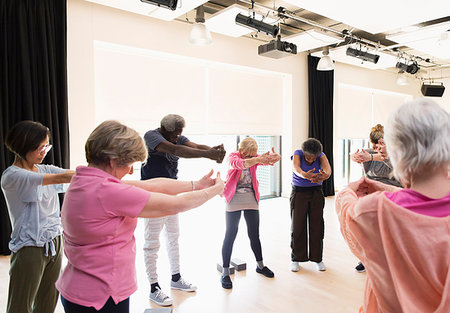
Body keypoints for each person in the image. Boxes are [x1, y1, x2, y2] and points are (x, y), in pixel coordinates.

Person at [55, 120, 224, 313]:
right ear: (112, 160)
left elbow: (151, 185)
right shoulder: (106, 191)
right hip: (101, 295)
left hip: (78, 288)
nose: (131, 170)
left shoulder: (85, 180)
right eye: (129, 164)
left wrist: (196, 184)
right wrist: (216, 189)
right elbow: (179, 204)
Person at [336, 99, 450, 313]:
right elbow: (425, 201)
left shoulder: (373, 212)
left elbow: (347, 213)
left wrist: (347, 191)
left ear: (396, 154)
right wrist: (386, 189)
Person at [140, 114, 226, 306]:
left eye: (180, 133)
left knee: (173, 237)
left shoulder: (177, 137)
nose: (177, 137)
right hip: (152, 196)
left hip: (172, 194)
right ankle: (154, 287)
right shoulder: (152, 136)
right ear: (164, 129)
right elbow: (176, 150)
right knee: (152, 243)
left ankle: (176, 278)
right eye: (175, 133)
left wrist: (213, 150)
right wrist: (208, 154)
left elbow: (193, 146)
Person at [1, 120, 75, 313]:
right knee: (20, 306)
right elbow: (62, 178)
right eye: (40, 147)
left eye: (46, 146)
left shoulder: (45, 169)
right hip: (29, 247)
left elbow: (70, 175)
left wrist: (102, 172)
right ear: (25, 147)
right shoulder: (13, 176)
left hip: (55, 242)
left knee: (48, 302)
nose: (44, 151)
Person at [220, 137, 280, 289]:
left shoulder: (253, 158)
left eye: (253, 155)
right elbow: (241, 164)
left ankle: (260, 266)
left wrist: (274, 158)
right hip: (233, 198)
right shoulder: (233, 156)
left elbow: (265, 161)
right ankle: (225, 272)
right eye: (248, 155)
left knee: (254, 234)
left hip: (251, 198)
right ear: (241, 151)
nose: (251, 158)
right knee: (230, 234)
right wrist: (257, 159)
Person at [350, 124, 402, 273]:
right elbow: (358, 155)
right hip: (372, 194)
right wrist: (356, 156)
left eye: (379, 144)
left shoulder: (396, 155)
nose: (375, 148)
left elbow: (387, 158)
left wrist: (371, 156)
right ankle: (365, 259)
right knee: (368, 230)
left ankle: (390, 261)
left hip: (393, 193)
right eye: (373, 145)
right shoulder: (368, 152)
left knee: (390, 231)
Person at [290, 138, 332, 272]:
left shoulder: (321, 155)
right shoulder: (298, 153)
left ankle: (317, 258)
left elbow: (327, 170)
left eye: (313, 158)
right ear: (304, 153)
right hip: (299, 193)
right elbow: (296, 167)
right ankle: (296, 258)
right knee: (298, 226)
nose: (310, 160)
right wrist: (304, 175)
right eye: (308, 157)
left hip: (316, 193)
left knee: (317, 225)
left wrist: (324, 176)